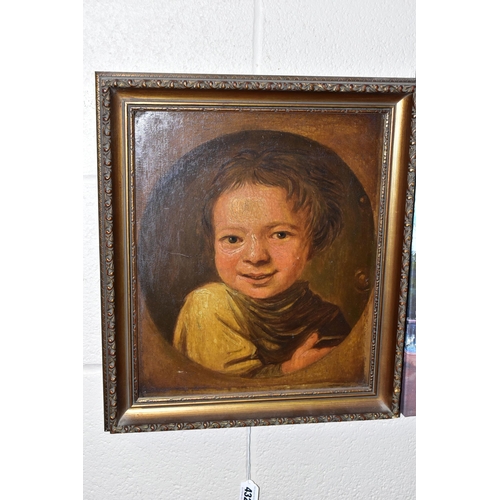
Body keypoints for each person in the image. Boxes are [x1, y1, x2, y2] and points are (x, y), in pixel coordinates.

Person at [173, 149, 351, 377]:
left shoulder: (327, 318)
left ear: (312, 242)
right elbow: (227, 392)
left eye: (280, 235)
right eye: (233, 239)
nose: (256, 256)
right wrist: (289, 371)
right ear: (213, 244)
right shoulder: (207, 306)